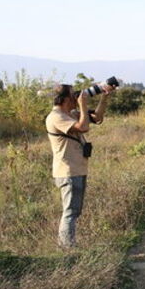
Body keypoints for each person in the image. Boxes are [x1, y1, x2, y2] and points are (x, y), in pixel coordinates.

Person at [45, 83, 113, 248]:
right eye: (73, 94)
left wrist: (104, 97)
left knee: (74, 212)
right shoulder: (56, 117)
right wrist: (83, 105)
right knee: (70, 213)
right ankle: (67, 248)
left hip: (76, 169)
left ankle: (68, 245)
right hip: (67, 171)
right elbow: (83, 127)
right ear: (66, 98)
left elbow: (97, 118)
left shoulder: (70, 114)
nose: (77, 96)